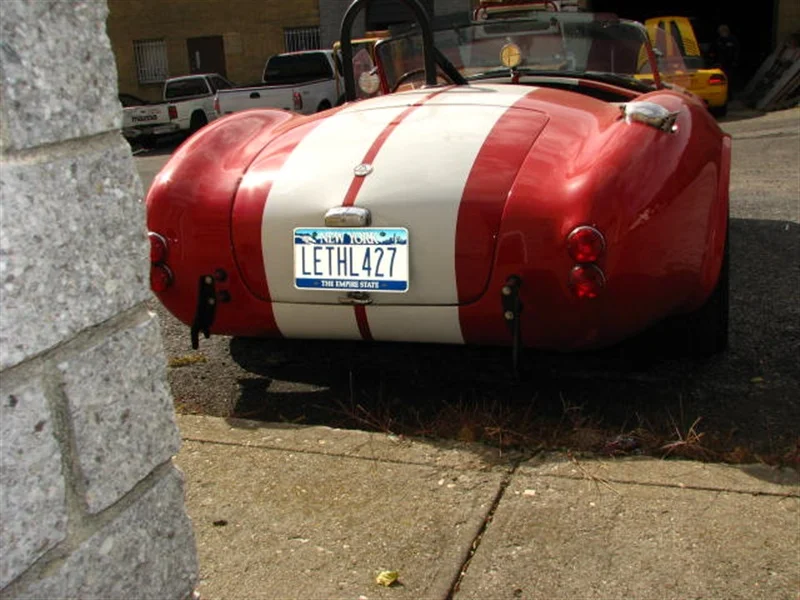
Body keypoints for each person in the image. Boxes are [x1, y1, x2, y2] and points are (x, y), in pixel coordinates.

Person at [710, 24, 741, 91]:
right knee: (721, 79)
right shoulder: (718, 40)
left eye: (724, 31)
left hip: (730, 63)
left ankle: (729, 94)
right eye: (721, 31)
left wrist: (735, 61)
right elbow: (713, 50)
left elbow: (736, 51)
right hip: (720, 63)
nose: (722, 32)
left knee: (729, 79)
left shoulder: (733, 39)